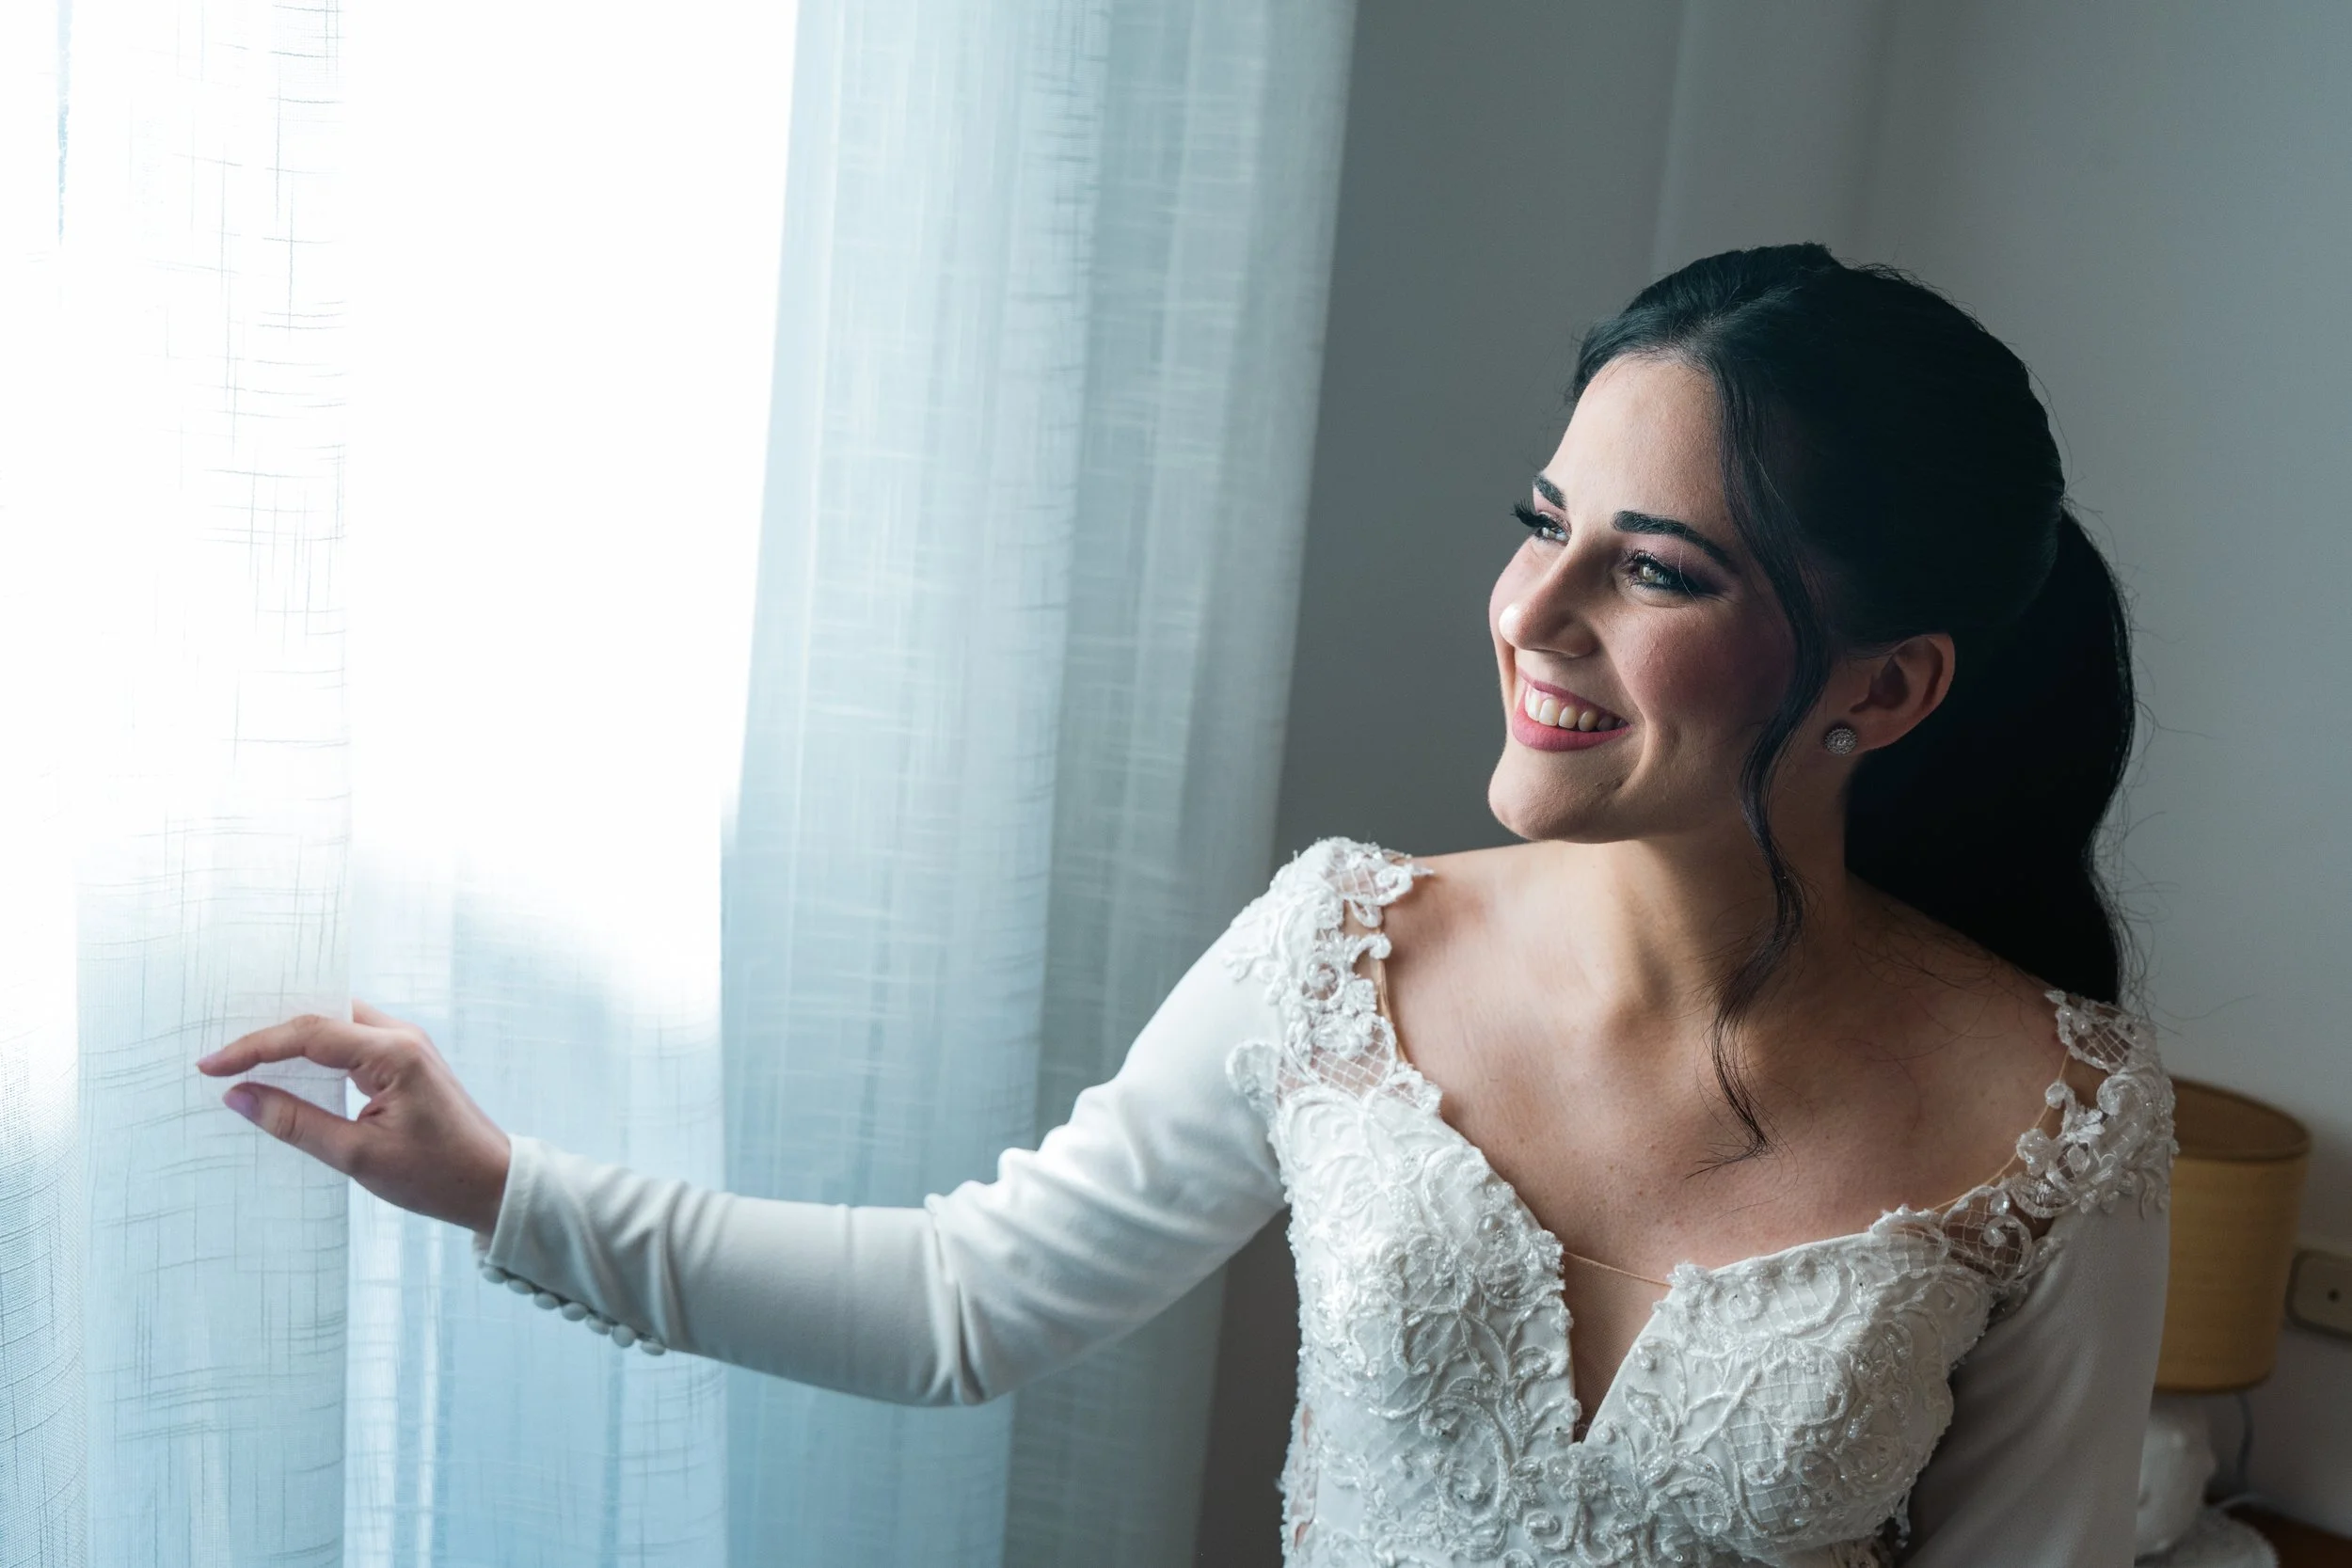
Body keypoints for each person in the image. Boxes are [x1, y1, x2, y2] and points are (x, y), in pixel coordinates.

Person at [198, 245, 2175, 1566]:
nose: (1533, 617)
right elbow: (973, 1294)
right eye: (1538, 526)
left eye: (1651, 568)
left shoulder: (2053, 1108)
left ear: (1883, 685)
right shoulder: (1346, 949)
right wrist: (502, 1187)